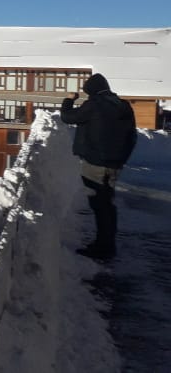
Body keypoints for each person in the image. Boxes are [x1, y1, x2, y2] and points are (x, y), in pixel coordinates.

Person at [60, 73, 137, 260]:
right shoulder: (123, 105)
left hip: (95, 162)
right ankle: (107, 243)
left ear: (91, 91)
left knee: (99, 204)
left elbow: (68, 117)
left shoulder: (94, 105)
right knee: (107, 203)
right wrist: (121, 159)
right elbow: (132, 136)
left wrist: (68, 100)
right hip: (115, 163)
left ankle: (103, 247)